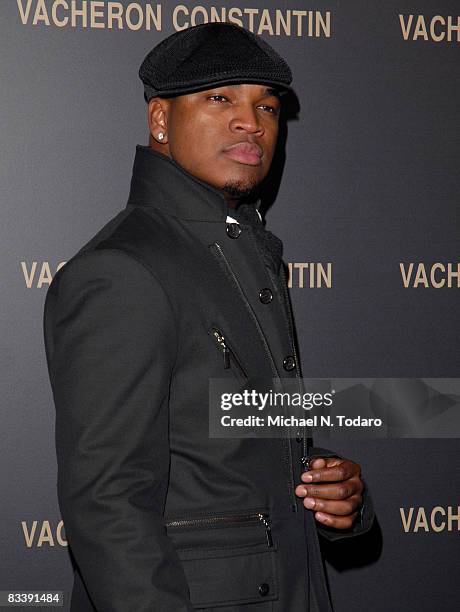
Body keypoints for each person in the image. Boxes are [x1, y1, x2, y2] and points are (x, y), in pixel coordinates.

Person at [43, 22, 374, 612]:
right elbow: (107, 504)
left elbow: (245, 447)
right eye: (220, 98)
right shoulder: (123, 269)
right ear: (161, 121)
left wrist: (336, 501)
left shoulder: (246, 254)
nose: (252, 121)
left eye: (266, 106)